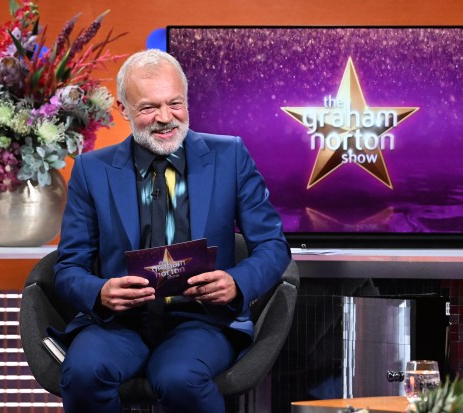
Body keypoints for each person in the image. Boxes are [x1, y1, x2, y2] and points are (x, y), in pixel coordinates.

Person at [53, 48, 291, 413]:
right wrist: (101, 292)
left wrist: (236, 283)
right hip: (119, 323)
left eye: (174, 103)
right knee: (84, 372)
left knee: (179, 378)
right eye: (149, 107)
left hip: (201, 320)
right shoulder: (91, 170)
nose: (165, 118)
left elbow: (273, 247)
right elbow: (68, 267)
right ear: (123, 110)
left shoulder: (230, 156)